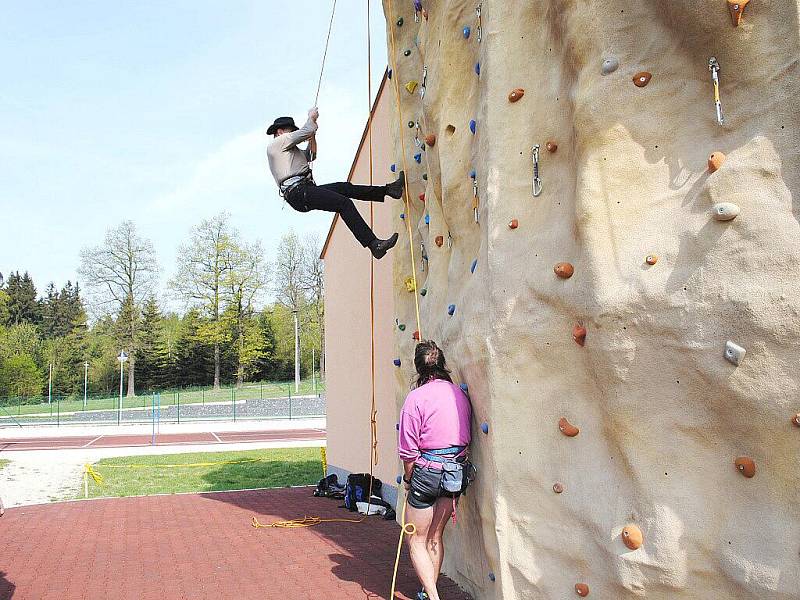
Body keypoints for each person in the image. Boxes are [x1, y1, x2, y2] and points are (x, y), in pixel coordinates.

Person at [266, 107, 405, 259]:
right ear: (280, 132)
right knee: (343, 203)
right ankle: (374, 244)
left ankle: (390, 190)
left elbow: (311, 156)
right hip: (298, 192)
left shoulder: (291, 151)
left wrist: (312, 137)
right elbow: (307, 129)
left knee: (344, 188)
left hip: (304, 190)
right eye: (290, 131)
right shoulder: (277, 144)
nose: (292, 134)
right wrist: (311, 118)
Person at [398, 341, 473, 600]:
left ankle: (432, 594)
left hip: (427, 473)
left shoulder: (415, 399)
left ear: (419, 368)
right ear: (442, 365)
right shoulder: (458, 394)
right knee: (435, 536)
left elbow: (408, 452)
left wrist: (409, 480)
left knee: (416, 539)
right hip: (454, 473)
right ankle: (428, 591)